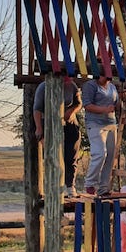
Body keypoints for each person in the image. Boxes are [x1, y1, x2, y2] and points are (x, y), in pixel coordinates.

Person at [33, 69, 82, 197]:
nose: (69, 81)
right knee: (54, 156)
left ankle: (70, 186)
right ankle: (54, 187)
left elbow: (78, 104)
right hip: (50, 124)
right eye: (67, 78)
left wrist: (71, 112)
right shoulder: (43, 88)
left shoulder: (72, 86)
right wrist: (39, 128)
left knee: (71, 156)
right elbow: (37, 109)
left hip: (69, 123)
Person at [82, 74, 118, 196]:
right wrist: (104, 109)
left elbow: (115, 103)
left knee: (110, 157)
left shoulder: (112, 87)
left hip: (111, 124)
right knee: (100, 153)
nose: (106, 79)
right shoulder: (90, 86)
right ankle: (90, 183)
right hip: (95, 123)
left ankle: (103, 187)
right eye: (104, 76)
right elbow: (87, 105)